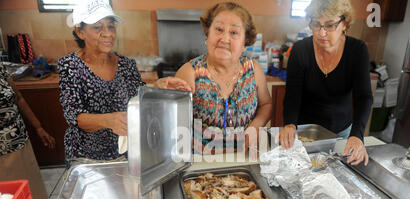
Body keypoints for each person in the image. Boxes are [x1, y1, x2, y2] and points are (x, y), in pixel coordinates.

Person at [155, 2, 273, 153]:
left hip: (244, 157)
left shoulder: (254, 70)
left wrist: (257, 124)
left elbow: (266, 105)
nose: (224, 39)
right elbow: (170, 123)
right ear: (207, 34)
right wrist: (161, 95)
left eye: (234, 33)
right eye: (218, 29)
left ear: (245, 43)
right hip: (202, 162)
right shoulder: (190, 72)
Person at [278, 0, 373, 166]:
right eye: (316, 24)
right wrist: (290, 124)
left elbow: (363, 97)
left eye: (330, 25)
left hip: (342, 134)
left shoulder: (357, 50)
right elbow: (293, 95)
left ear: (345, 23)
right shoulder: (300, 50)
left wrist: (357, 135)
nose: (321, 33)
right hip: (305, 133)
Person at [58, 0, 145, 167]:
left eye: (111, 26)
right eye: (98, 27)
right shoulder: (70, 66)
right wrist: (109, 120)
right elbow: (74, 117)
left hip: (125, 154)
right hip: (86, 157)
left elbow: (139, 99)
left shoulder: (127, 65)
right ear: (80, 31)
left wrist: (160, 87)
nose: (108, 33)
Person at [0, 62, 54, 199]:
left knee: (29, 193)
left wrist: (38, 127)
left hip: (19, 140)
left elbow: (19, 98)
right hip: (2, 153)